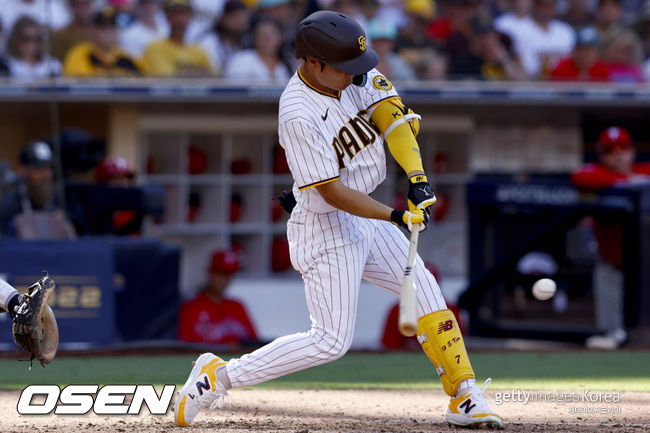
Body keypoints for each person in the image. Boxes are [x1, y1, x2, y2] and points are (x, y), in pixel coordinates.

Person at [174, 11, 502, 429]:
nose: (355, 76)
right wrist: (395, 214)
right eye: (344, 69)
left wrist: (417, 179)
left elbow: (393, 117)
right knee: (330, 342)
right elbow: (330, 191)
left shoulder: (353, 73)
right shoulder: (297, 111)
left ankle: (463, 394)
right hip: (324, 225)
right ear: (312, 62)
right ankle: (218, 376)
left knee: (427, 291)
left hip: (365, 212)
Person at [571, 127, 650, 349]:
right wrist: (625, 182)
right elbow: (580, 177)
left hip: (645, 264)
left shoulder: (645, 170)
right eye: (610, 150)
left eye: (623, 148)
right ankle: (611, 333)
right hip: (614, 260)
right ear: (602, 155)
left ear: (633, 151)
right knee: (605, 272)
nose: (618, 154)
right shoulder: (596, 173)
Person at [178, 249, 258, 346]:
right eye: (221, 274)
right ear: (210, 272)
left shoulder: (237, 306)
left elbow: (254, 343)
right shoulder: (191, 308)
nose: (224, 280)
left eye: (229, 275)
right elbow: (184, 348)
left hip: (237, 360)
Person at [499, 0, 575, 78]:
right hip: (528, 82)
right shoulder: (517, 28)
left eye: (550, 5)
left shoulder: (565, 30)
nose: (546, 10)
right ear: (534, 5)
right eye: (542, 5)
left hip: (563, 83)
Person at [63, 7, 145, 77]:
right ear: (92, 30)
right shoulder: (80, 55)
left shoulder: (129, 58)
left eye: (112, 27)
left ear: (118, 31)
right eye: (103, 28)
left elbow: (146, 81)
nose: (108, 33)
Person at [0, 141, 57, 236]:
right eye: (40, 168)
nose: (47, 175)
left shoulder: (57, 201)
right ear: (23, 170)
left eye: (49, 168)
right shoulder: (9, 207)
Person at [143, 0, 213, 77]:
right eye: (174, 14)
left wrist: (184, 72)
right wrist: (199, 72)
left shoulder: (198, 50)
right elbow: (168, 78)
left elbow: (213, 76)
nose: (179, 18)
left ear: (190, 18)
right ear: (167, 17)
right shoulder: (155, 47)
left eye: (183, 13)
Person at [223, 17, 291, 82]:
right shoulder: (242, 59)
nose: (267, 39)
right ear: (254, 37)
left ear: (281, 37)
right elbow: (232, 90)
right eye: (263, 35)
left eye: (272, 34)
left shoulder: (287, 64)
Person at [199, 0, 250, 73]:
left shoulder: (247, 44)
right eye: (235, 17)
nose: (240, 22)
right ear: (223, 18)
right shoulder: (208, 43)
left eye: (243, 18)